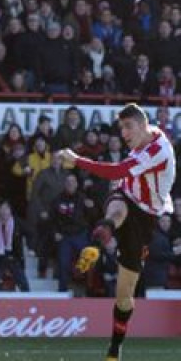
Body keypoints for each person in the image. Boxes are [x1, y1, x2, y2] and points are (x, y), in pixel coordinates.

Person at [58, 103, 176, 361]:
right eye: (121, 128)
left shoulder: (158, 149)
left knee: (124, 295)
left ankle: (115, 348)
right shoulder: (145, 136)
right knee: (117, 210)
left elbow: (118, 170)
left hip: (146, 216)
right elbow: (121, 176)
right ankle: (98, 246)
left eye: (128, 127)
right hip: (126, 194)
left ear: (143, 126)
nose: (123, 133)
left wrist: (78, 160)